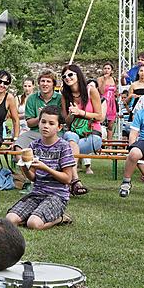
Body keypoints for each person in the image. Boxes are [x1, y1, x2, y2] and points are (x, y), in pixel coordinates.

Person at [6, 106, 75, 230]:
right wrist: (25, 167)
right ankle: (34, 215)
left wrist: (46, 168)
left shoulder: (64, 147)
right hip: (37, 193)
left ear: (59, 127)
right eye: (43, 122)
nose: (46, 126)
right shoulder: (34, 145)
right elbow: (33, 178)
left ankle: (60, 218)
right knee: (10, 219)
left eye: (51, 123)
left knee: (33, 224)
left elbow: (67, 179)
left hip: (56, 196)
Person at [60, 64, 101, 196]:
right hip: (74, 135)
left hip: (92, 135)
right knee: (70, 139)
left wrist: (81, 112)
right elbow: (66, 121)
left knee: (68, 148)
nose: (67, 77)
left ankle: (71, 182)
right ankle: (75, 181)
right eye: (64, 76)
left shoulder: (91, 91)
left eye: (70, 74)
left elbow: (100, 116)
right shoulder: (65, 96)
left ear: (78, 75)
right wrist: (72, 114)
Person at [16, 70, 62, 147]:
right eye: (42, 81)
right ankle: (22, 159)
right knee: (18, 145)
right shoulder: (31, 98)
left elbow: (62, 121)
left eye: (48, 81)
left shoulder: (60, 98)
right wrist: (40, 117)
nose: (45, 84)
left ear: (53, 84)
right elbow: (29, 123)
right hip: (36, 132)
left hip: (55, 133)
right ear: (38, 83)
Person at [98, 62, 118, 136]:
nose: (106, 70)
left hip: (112, 103)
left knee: (110, 126)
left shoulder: (113, 79)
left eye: (108, 68)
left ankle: (110, 144)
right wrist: (104, 81)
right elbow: (101, 91)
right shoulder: (100, 79)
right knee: (100, 123)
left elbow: (115, 91)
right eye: (105, 68)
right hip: (103, 102)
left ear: (111, 71)